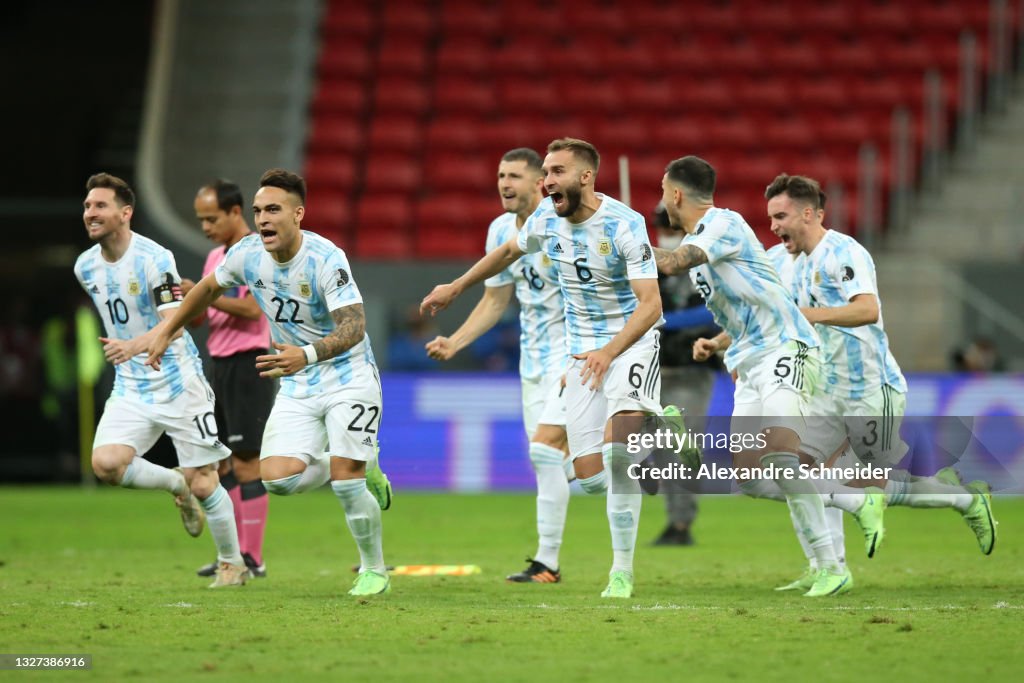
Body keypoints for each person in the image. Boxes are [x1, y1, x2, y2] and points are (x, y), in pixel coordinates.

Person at [422, 138, 665, 598]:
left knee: (613, 458)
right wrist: (456, 286)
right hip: (579, 352)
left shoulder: (625, 223)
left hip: (629, 343)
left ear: (586, 176)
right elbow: (509, 253)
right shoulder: (544, 219)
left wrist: (610, 351)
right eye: (547, 172)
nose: (548, 180)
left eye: (556, 171)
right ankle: (650, 443)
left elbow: (651, 306)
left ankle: (621, 572)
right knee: (591, 479)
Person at [143, 169, 394, 596]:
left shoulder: (325, 257)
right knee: (277, 479)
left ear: (298, 214)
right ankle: (358, 459)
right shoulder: (246, 255)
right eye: (259, 210)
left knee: (347, 480)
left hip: (347, 375)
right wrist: (165, 331)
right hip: (297, 381)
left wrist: (308, 354)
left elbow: (354, 326)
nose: (263, 218)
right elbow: (205, 290)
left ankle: (375, 570)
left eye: (273, 209)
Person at [655, 156, 881, 598]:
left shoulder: (723, 224)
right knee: (751, 479)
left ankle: (832, 566)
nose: (663, 200)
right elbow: (747, 302)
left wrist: (618, 242)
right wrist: (718, 343)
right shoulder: (704, 244)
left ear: (676, 194)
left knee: (781, 454)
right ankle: (849, 504)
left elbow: (674, 261)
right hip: (749, 360)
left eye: (664, 191)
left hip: (787, 347)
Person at [764, 174, 996, 587]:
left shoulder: (844, 253)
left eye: (780, 216)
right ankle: (829, 568)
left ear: (808, 213)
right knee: (794, 471)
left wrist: (809, 315)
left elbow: (867, 310)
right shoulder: (792, 262)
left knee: (870, 487)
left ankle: (967, 500)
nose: (774, 226)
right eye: (770, 218)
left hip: (871, 389)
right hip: (825, 390)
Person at [74, 172, 247, 588]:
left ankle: (232, 564)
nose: (90, 213)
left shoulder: (155, 259)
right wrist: (130, 353)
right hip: (131, 385)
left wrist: (135, 345)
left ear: (125, 212)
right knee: (106, 464)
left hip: (177, 380)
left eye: (100, 206)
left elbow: (174, 321)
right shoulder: (85, 266)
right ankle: (175, 484)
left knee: (206, 481)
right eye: (87, 206)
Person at [425, 148, 572, 583]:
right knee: (560, 463)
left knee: (546, 454)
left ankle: (547, 561)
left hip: (578, 354)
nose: (504, 183)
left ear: (538, 184)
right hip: (535, 360)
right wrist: (455, 341)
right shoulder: (499, 230)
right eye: (500, 175)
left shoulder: (564, 223)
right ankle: (549, 561)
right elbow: (495, 300)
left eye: (514, 176)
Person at [186, 180, 276, 579]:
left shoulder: (260, 251)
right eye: (201, 220)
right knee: (222, 463)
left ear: (235, 212)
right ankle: (232, 554)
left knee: (247, 461)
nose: (206, 227)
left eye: (211, 218)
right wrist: (185, 303)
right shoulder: (213, 258)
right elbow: (201, 318)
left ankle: (252, 557)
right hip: (218, 364)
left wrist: (205, 294)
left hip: (250, 361)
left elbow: (254, 309)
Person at [647, 202, 718, 546]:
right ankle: (673, 521)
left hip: (691, 372)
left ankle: (682, 522)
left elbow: (712, 313)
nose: (668, 237)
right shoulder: (650, 270)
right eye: (664, 231)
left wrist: (663, 320)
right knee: (662, 451)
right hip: (656, 373)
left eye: (674, 231)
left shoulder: (704, 269)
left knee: (683, 448)